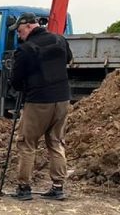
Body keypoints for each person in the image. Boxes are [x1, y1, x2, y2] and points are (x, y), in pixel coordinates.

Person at [7, 12, 72, 200]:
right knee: (56, 142)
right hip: (62, 99)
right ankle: (58, 187)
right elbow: (67, 59)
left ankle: (24, 188)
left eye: (19, 31)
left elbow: (16, 80)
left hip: (38, 101)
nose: (19, 35)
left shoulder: (26, 49)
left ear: (28, 26)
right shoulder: (59, 40)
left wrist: (22, 87)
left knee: (26, 143)